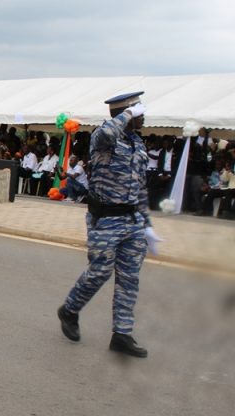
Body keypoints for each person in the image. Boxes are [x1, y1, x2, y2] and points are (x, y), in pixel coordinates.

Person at [57, 91, 161, 358]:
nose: (143, 116)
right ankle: (69, 309)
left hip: (132, 220)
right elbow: (105, 134)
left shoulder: (137, 143)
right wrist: (128, 113)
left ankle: (122, 334)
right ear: (124, 113)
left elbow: (139, 186)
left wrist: (147, 225)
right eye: (139, 112)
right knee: (100, 272)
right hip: (106, 219)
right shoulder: (103, 138)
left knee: (129, 278)